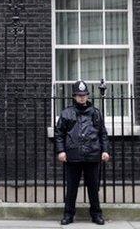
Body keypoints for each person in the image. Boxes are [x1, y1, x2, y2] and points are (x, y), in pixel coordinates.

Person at [54, 80, 111, 225]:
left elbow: (102, 134)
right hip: (73, 156)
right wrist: (61, 151)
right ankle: (68, 215)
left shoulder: (95, 113)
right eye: (79, 95)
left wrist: (105, 150)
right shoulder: (66, 113)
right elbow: (59, 133)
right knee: (72, 187)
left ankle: (96, 214)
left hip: (92, 155)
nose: (81, 97)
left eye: (84, 95)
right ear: (74, 96)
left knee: (93, 187)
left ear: (87, 96)